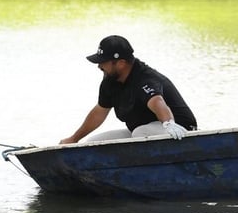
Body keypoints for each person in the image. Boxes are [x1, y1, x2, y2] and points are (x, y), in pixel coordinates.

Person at [61, 35, 198, 144]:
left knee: (140, 133)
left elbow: (157, 101)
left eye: (103, 62)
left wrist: (169, 123)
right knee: (93, 143)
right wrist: (74, 139)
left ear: (121, 63)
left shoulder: (145, 78)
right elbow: (99, 113)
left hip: (178, 129)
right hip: (144, 132)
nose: (99, 66)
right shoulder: (110, 81)